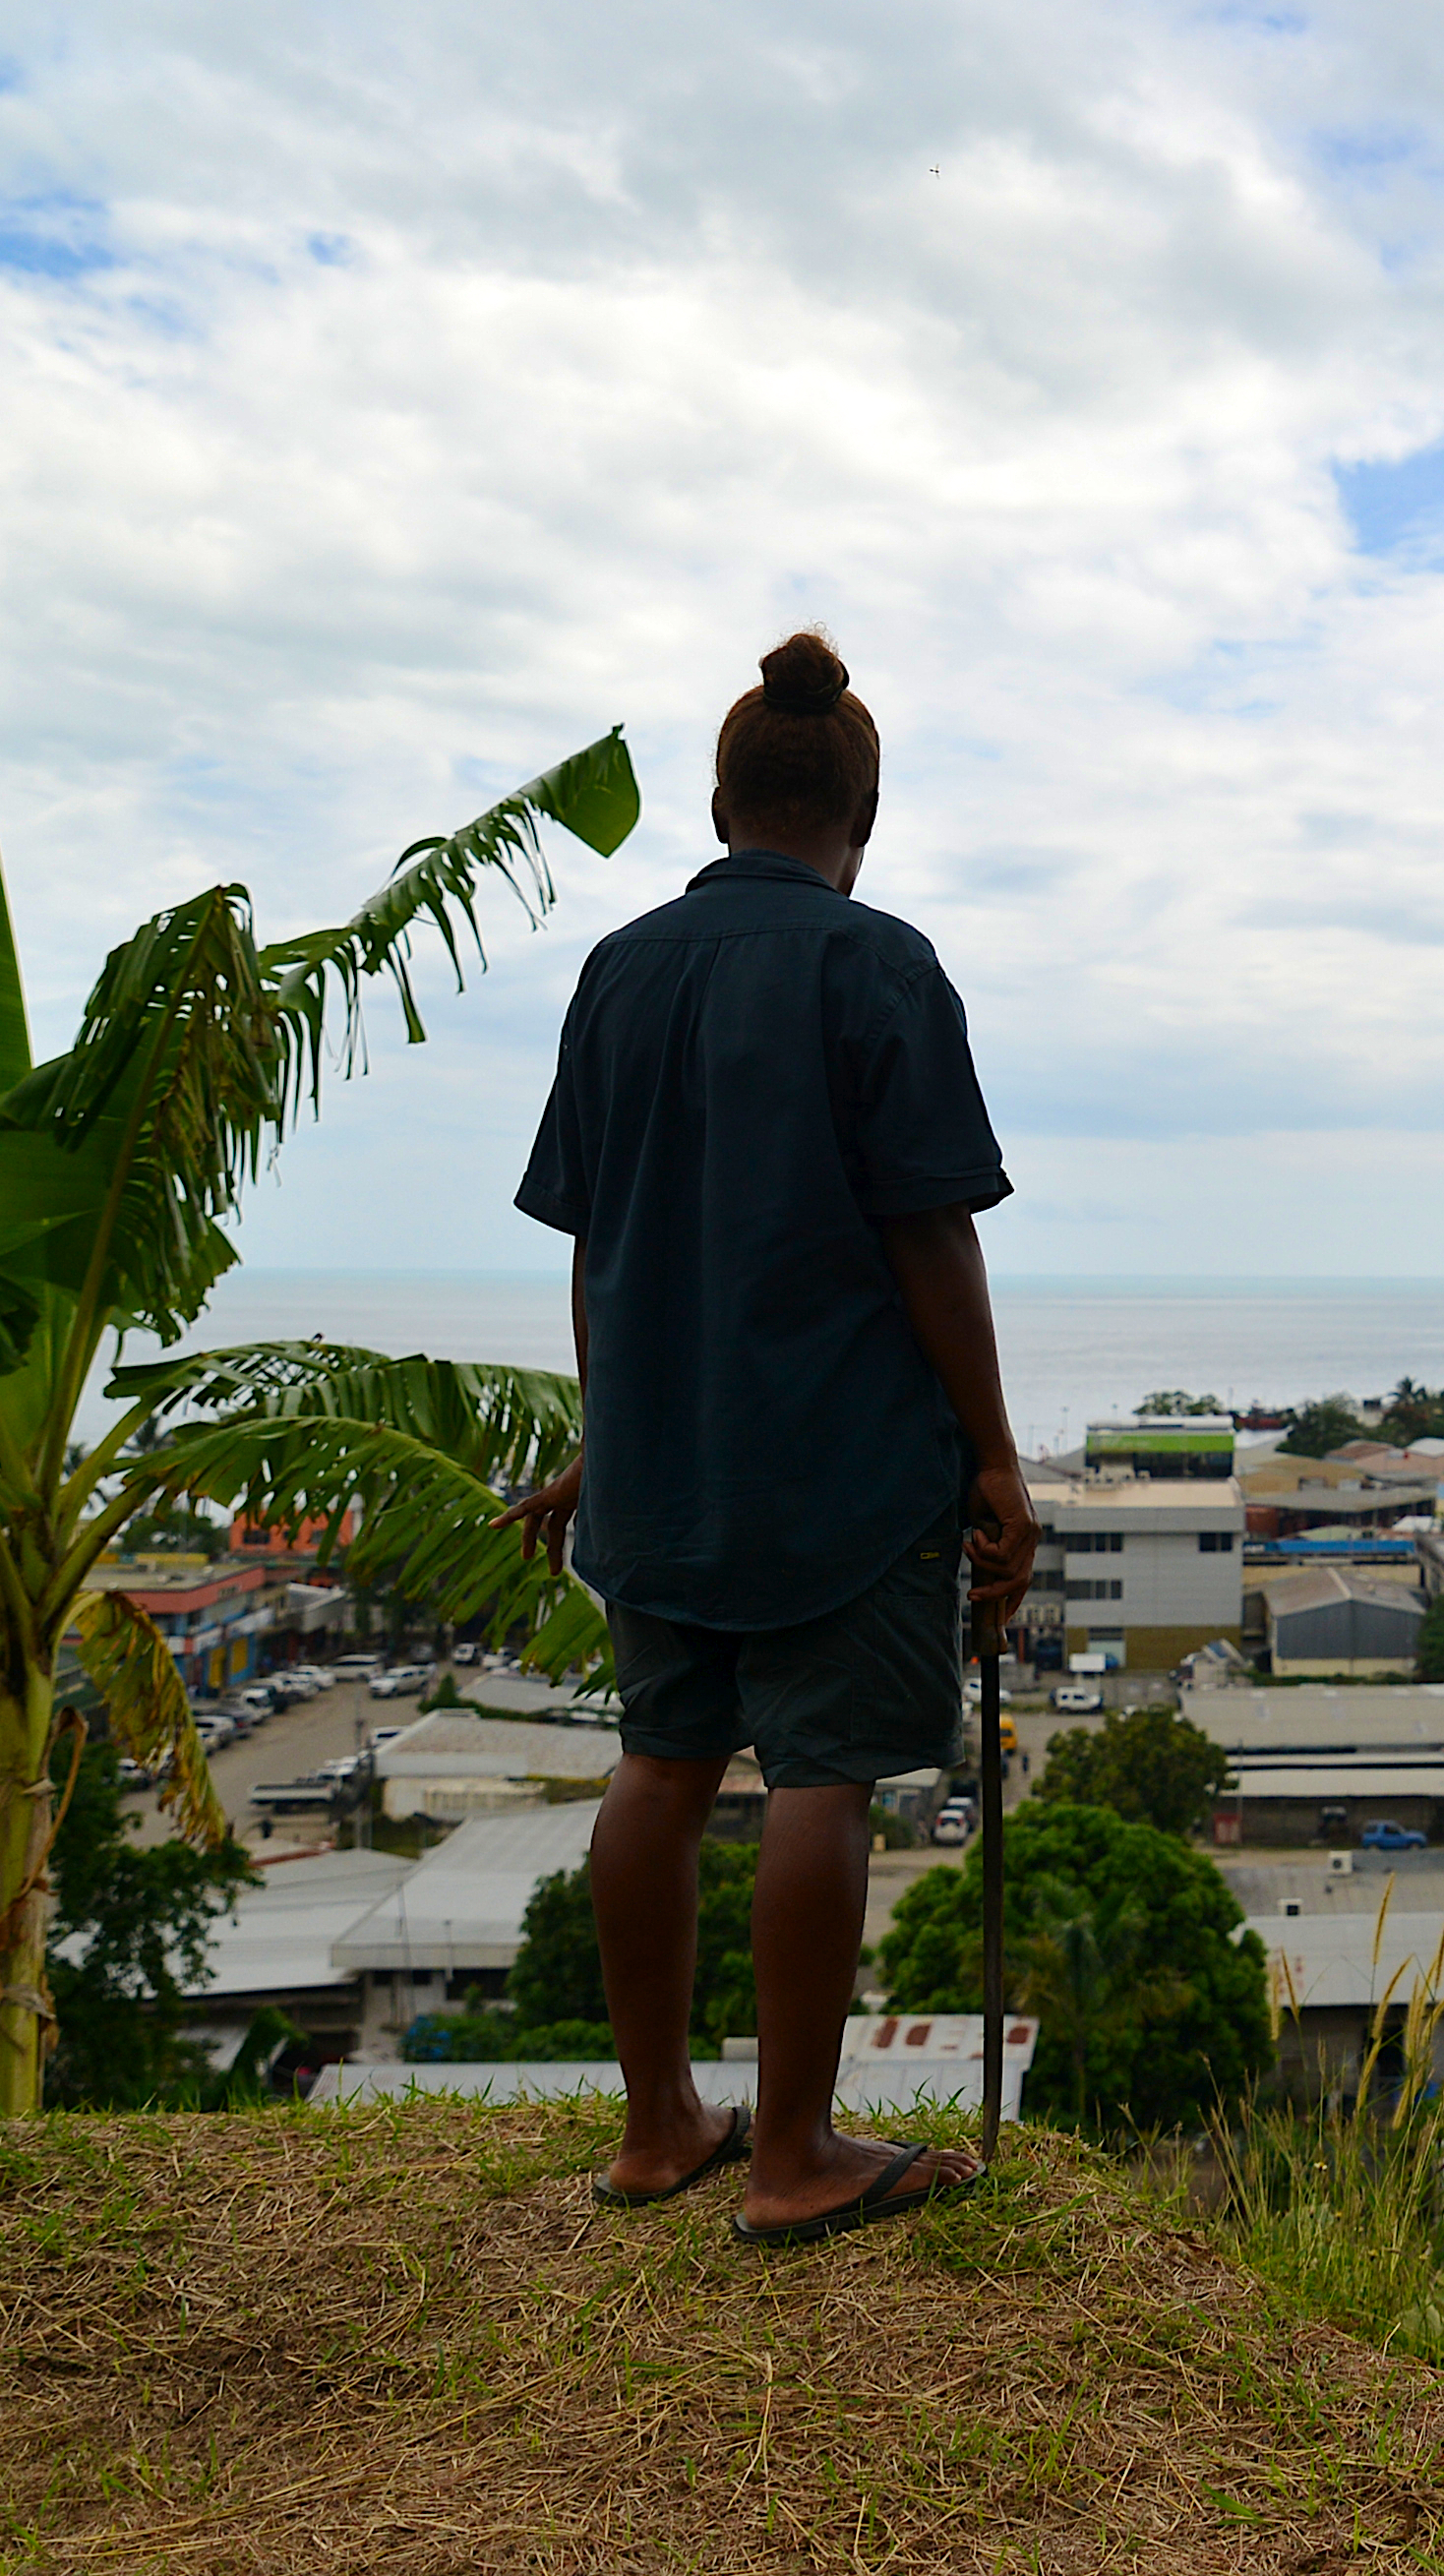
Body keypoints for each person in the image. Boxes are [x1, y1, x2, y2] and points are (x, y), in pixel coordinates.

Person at [502, 629, 1038, 2245]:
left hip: (663, 1463)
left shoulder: (620, 969)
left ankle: (659, 2125)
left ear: (720, 798)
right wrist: (995, 1458)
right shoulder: (876, 965)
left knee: (660, 1766)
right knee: (824, 1774)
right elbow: (928, 1233)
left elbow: (596, 1244)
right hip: (841, 1470)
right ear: (859, 813)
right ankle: (795, 2152)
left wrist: (612, 1435)